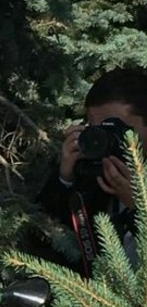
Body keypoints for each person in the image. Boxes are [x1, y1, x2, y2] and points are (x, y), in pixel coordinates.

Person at [37, 67, 147, 275]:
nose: (104, 140)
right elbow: (43, 238)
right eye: (98, 130)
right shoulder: (92, 173)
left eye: (115, 129)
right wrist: (64, 180)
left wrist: (139, 207)